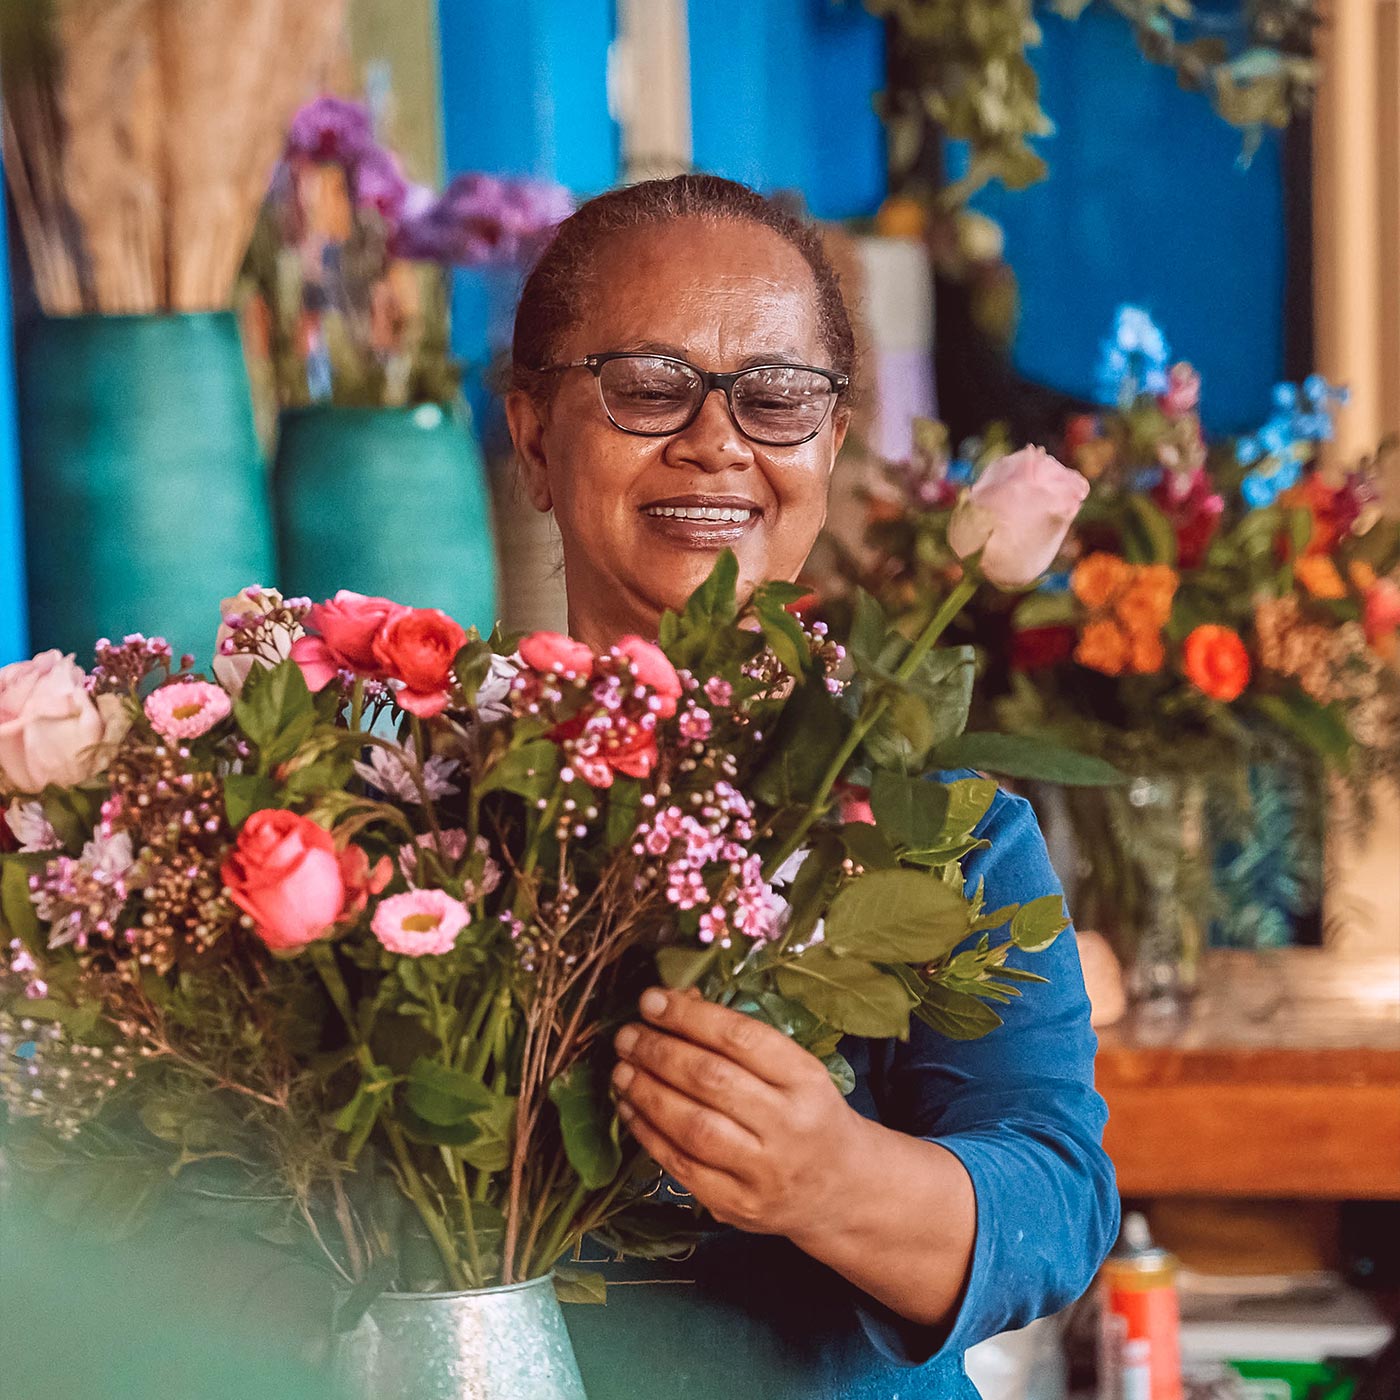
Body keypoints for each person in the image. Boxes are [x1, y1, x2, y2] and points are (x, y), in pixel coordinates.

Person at [505, 173, 1118, 1400]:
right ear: (531, 433)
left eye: (777, 398)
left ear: (830, 443)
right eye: (645, 385)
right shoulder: (405, 805)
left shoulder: (938, 831)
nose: (717, 440)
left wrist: (827, 1174)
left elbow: (1053, 1199)